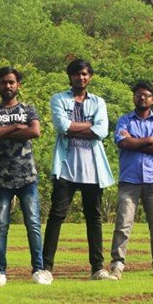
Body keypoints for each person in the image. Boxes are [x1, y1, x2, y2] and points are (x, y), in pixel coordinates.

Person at [42, 59, 116, 281]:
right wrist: (89, 126)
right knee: (56, 216)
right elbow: (61, 126)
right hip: (66, 167)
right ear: (70, 76)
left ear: (90, 76)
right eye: (76, 74)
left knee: (94, 217)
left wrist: (74, 128)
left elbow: (102, 131)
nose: (80, 78)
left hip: (92, 168)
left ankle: (98, 268)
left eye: (84, 74)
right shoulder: (58, 99)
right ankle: (46, 268)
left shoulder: (98, 102)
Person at [0, 67, 53, 286]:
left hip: (27, 177)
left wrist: (3, 131)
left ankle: (39, 269)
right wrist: (15, 127)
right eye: (4, 82)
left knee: (33, 223)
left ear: (18, 85)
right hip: (1, 178)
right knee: (1, 226)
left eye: (11, 82)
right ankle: (0, 271)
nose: (8, 86)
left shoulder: (28, 109)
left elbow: (34, 131)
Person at [107, 81, 153, 279]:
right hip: (129, 179)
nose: (142, 98)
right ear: (133, 98)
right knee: (123, 224)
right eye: (138, 95)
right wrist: (149, 140)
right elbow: (122, 143)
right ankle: (117, 265)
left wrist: (133, 141)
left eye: (146, 95)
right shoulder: (124, 120)